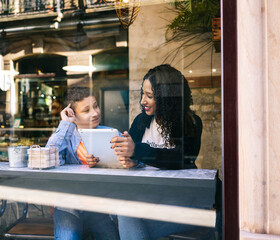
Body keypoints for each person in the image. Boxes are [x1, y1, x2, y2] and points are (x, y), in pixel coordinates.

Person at [110, 64, 203, 239]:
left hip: (182, 201)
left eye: (150, 96)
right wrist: (131, 160)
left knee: (130, 219)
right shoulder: (141, 121)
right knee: (124, 211)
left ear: (166, 98)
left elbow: (181, 159)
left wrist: (137, 150)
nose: (142, 101)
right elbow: (135, 156)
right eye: (142, 94)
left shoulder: (191, 122)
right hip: (148, 198)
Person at [46, 86, 120, 240]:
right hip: (68, 206)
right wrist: (66, 123)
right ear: (73, 114)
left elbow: (127, 166)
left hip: (98, 207)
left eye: (96, 106)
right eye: (86, 110)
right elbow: (48, 156)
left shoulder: (111, 134)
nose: (95, 113)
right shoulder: (65, 136)